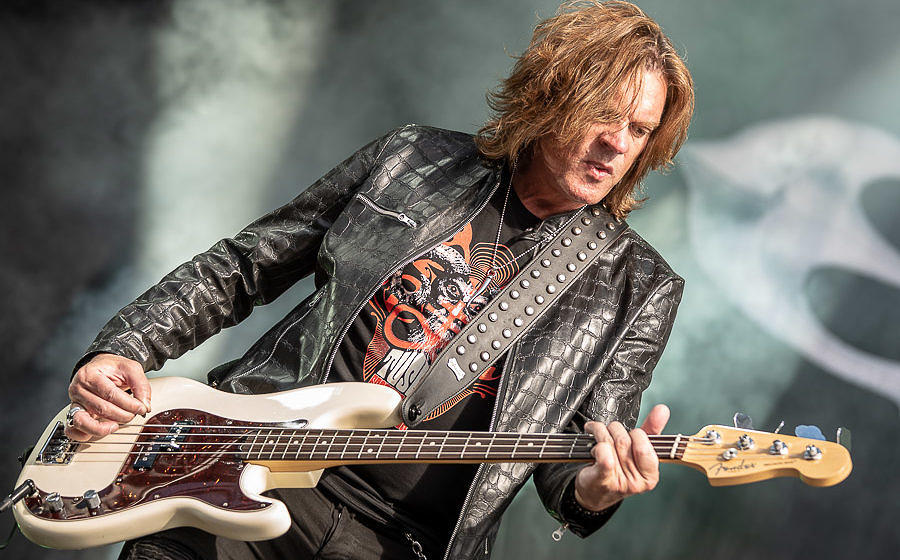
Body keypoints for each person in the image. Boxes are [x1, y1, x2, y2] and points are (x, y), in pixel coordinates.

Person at [64, 1, 693, 558]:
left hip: (400, 542)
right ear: (550, 96)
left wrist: (598, 489)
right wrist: (125, 346)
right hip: (243, 469)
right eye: (603, 114)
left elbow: (580, 462)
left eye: (639, 130)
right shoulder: (412, 160)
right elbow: (243, 266)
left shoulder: (637, 286)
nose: (617, 143)